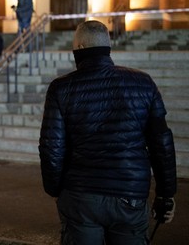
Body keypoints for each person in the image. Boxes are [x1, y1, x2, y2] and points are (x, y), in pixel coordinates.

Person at [39, 20, 177, 244]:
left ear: (80, 49)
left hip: (80, 195)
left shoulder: (61, 88)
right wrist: (166, 193)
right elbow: (161, 143)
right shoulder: (143, 83)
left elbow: (51, 147)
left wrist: (55, 189)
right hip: (129, 194)